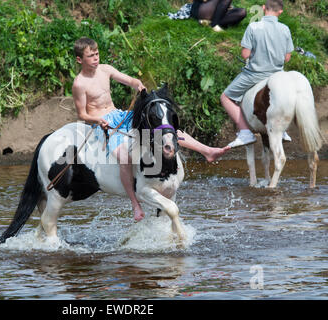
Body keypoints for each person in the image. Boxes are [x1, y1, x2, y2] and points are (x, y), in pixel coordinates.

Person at [72, 37, 229, 222]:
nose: (96, 58)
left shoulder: (105, 69)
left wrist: (137, 83)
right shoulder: (79, 84)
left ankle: (207, 151)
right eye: (90, 56)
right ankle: (135, 204)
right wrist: (97, 120)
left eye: (97, 54)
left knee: (164, 127)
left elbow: (128, 79)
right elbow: (82, 114)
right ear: (80, 60)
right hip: (101, 122)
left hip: (120, 115)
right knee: (124, 156)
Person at [220, 0, 294, 148]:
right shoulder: (285, 29)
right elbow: (287, 57)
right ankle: (283, 130)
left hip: (255, 74)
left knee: (225, 97)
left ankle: (245, 132)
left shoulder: (253, 26)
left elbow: (245, 54)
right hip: (277, 74)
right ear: (280, 12)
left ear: (263, 8)